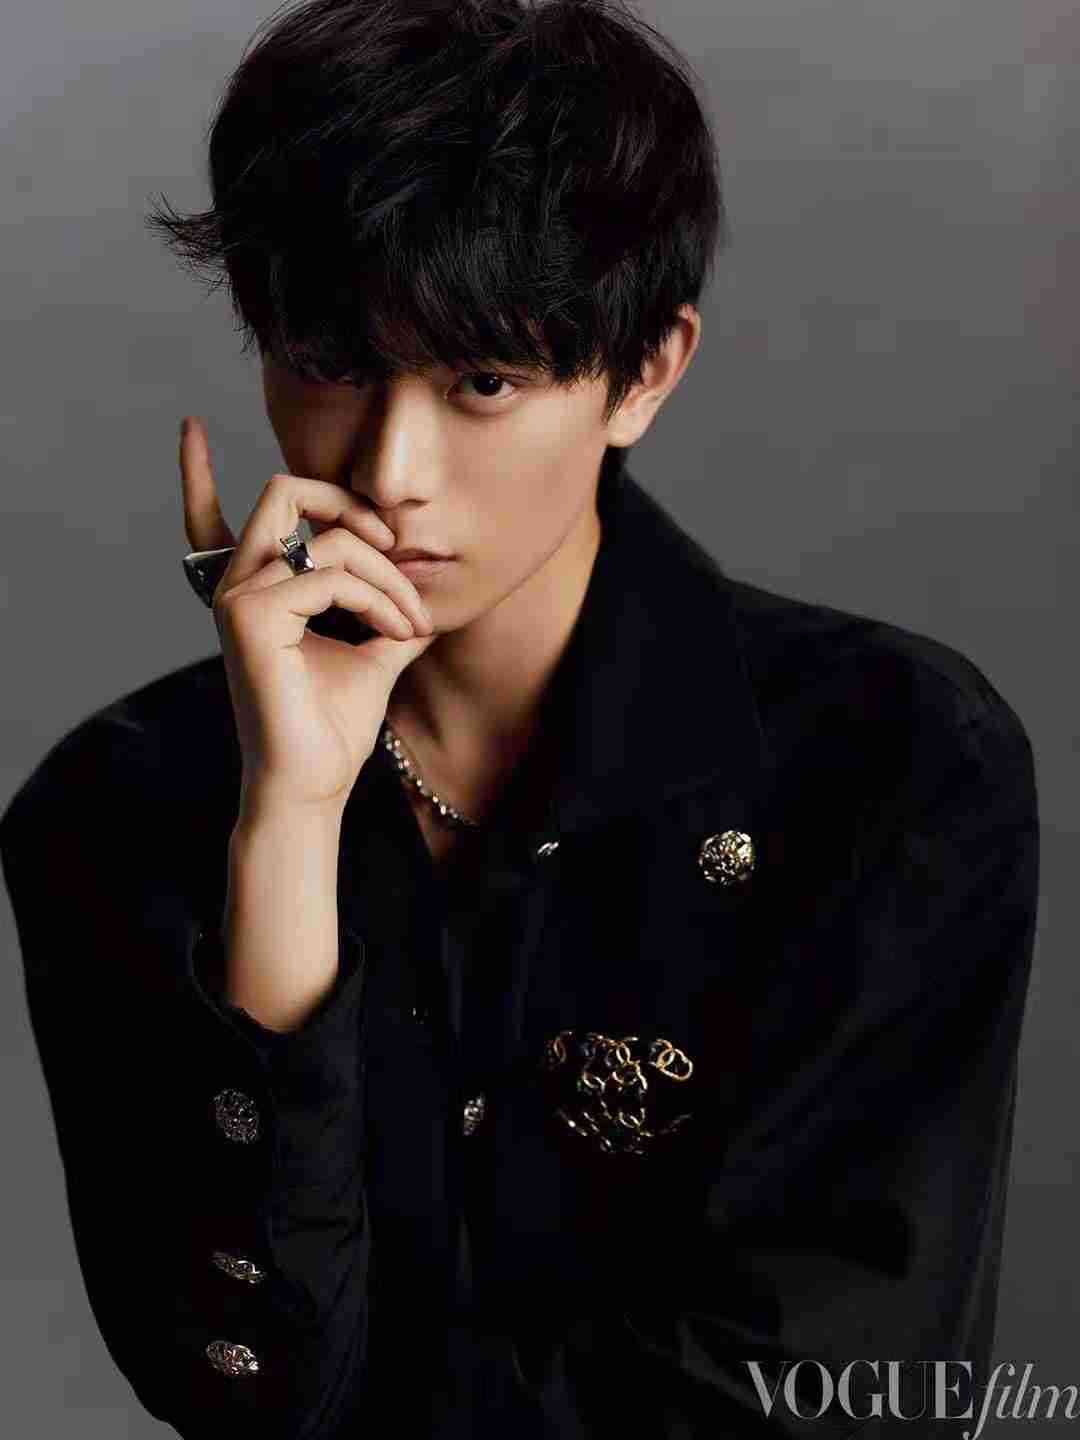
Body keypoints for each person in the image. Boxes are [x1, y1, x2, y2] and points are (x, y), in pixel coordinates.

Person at [0, 1, 1040, 1437]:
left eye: (482, 382)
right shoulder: (115, 809)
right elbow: (240, 1393)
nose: (392, 470)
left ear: (646, 371)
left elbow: (826, 1389)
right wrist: (289, 824)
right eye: (335, 362)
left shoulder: (892, 767)